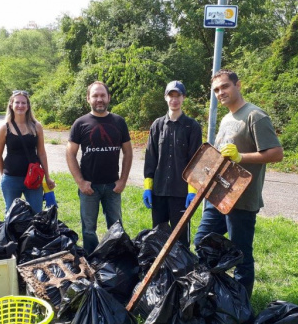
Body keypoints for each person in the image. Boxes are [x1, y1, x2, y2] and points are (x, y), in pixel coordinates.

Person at [193, 69, 283, 297]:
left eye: (224, 87)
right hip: (219, 195)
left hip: (242, 198)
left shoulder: (255, 116)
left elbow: (276, 153)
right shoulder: (226, 119)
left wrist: (241, 157)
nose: (220, 92)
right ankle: (214, 291)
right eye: (216, 90)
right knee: (202, 242)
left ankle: (241, 305)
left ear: (238, 85)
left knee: (241, 254)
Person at [66, 81, 133, 254]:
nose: (99, 99)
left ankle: (115, 258)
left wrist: (123, 180)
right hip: (89, 187)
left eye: (102, 95)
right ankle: (92, 258)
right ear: (88, 99)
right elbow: (70, 153)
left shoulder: (119, 122)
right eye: (95, 96)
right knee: (88, 229)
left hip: (113, 186)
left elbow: (128, 152)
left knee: (116, 227)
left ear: (109, 97)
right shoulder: (80, 123)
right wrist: (80, 182)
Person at [143, 80, 202, 247]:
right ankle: (160, 270)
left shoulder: (192, 126)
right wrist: (148, 186)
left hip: (181, 194)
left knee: (181, 240)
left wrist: (192, 191)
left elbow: (196, 162)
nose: (174, 100)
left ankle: (182, 271)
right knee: (157, 237)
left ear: (183, 98)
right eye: (171, 95)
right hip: (159, 192)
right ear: (165, 98)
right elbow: (150, 158)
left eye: (178, 96)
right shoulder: (157, 125)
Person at [0, 90, 56, 215]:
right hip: (11, 178)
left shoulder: (36, 126)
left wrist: (47, 177)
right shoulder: (5, 127)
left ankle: (33, 235)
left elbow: (42, 153)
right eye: (17, 102)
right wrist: (4, 175)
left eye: (24, 103)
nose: (20, 106)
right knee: (11, 215)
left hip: (33, 178)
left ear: (28, 106)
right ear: (11, 105)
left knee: (36, 214)